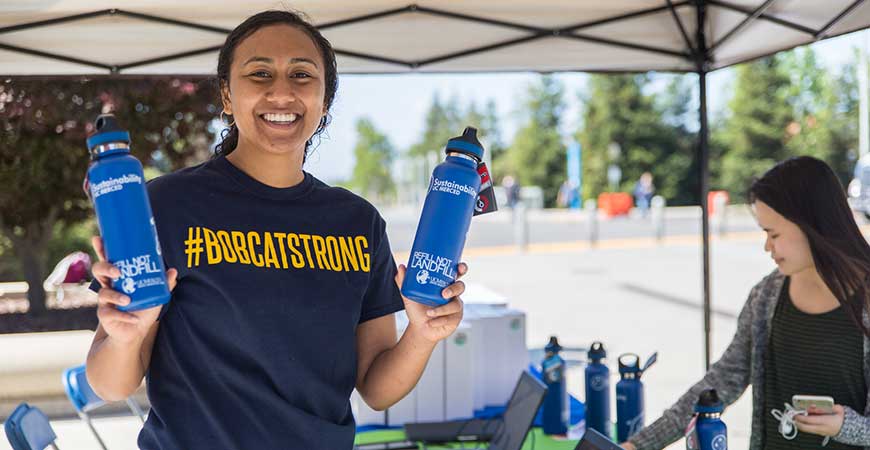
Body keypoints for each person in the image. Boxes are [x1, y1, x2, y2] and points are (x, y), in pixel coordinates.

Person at [85, 10, 466, 450]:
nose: (281, 91)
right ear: (227, 95)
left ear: (325, 100)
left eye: (302, 74)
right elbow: (110, 385)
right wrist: (123, 337)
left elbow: (376, 388)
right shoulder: (163, 206)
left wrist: (422, 334)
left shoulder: (357, 222)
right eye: (260, 73)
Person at [622, 156, 870, 449]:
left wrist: (846, 426)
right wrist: (638, 445)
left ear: (812, 224)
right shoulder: (766, 295)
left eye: (773, 234)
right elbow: (722, 381)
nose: (767, 246)